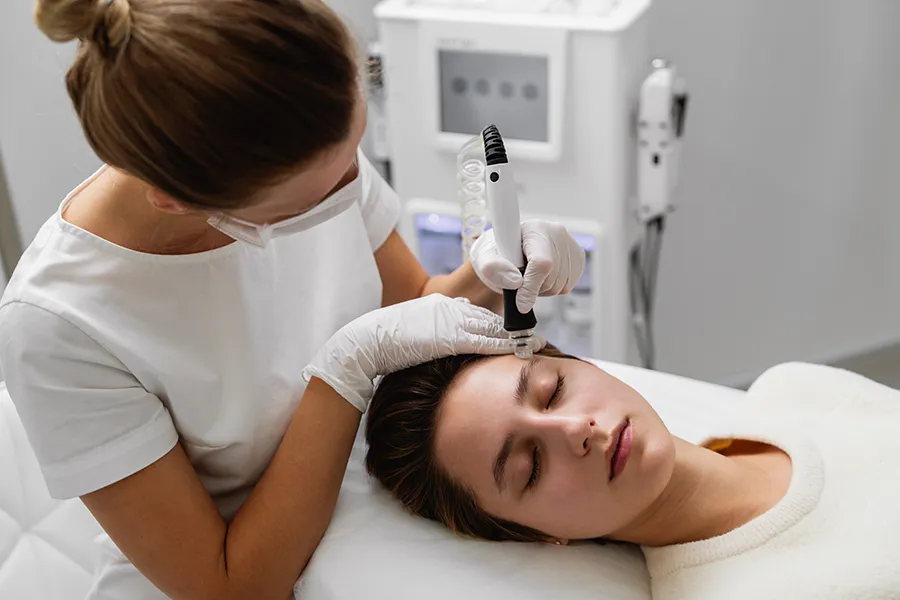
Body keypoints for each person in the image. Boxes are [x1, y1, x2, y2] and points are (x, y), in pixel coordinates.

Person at [0, 1, 585, 599]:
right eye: (321, 192)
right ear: (177, 201)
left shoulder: (303, 129)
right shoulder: (60, 324)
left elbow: (411, 302)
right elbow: (230, 586)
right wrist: (344, 370)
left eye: (353, 150)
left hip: (370, 526)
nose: (352, 182)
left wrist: (497, 263)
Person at [365, 348, 900, 599]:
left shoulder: (795, 389)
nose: (575, 430)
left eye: (553, 391)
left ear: (585, 364)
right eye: (531, 468)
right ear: (538, 535)